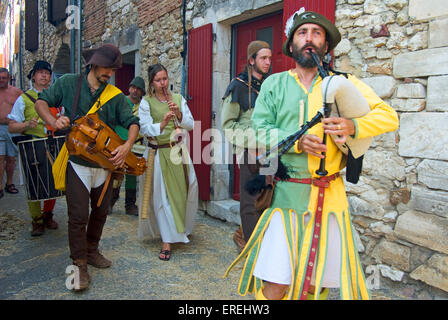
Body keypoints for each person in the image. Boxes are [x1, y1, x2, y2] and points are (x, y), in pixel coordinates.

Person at [225, 10, 399, 300]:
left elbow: (388, 116)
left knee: (318, 283)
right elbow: (260, 129)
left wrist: (353, 125)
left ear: (326, 45)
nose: (309, 38)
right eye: (302, 32)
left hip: (330, 198)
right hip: (287, 197)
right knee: (276, 284)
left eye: (317, 33)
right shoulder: (274, 84)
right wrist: (296, 142)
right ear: (292, 43)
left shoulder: (344, 82)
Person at [35, 44, 140, 291]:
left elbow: (132, 122)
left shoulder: (114, 94)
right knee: (78, 216)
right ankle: (79, 263)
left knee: (101, 212)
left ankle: (92, 250)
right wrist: (52, 121)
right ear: (94, 63)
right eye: (107, 68)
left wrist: (126, 147)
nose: (110, 74)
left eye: (113, 70)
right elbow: (42, 102)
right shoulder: (70, 83)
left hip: (104, 166)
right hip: (77, 163)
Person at [137, 63, 198, 261]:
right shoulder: (146, 102)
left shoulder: (178, 99)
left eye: (165, 79)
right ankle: (166, 240)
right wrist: (162, 124)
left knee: (186, 191)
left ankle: (182, 229)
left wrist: (178, 114)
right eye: (158, 80)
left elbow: (190, 123)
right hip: (158, 154)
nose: (163, 83)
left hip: (179, 153)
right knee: (163, 198)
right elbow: (144, 129)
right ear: (151, 83)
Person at [221, 40, 272, 251]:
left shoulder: (270, 86)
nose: (268, 62)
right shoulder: (238, 86)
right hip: (249, 152)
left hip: (271, 150)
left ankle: (244, 233)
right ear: (252, 60)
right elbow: (228, 125)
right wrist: (253, 144)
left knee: (268, 198)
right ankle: (253, 250)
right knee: (250, 202)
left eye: (270, 57)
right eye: (263, 58)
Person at [8, 60, 60, 236]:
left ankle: (48, 215)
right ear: (33, 76)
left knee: (54, 182)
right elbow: (11, 127)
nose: (45, 76)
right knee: (33, 183)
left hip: (52, 143)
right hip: (32, 145)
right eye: (40, 72)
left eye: (47, 73)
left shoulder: (56, 96)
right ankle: (36, 220)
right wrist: (26, 125)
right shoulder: (23, 99)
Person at [110, 76, 147, 216]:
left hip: (135, 146)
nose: (135, 91)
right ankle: (110, 202)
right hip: (118, 143)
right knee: (116, 173)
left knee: (132, 174)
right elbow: (113, 121)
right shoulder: (121, 101)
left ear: (142, 92)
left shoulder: (143, 107)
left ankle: (130, 205)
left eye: (138, 89)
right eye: (133, 87)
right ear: (129, 88)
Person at [0, 68, 22, 198]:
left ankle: (9, 183)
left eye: (3, 78)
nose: (1, 80)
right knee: (0, 158)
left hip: (12, 128)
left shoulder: (16, 92)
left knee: (11, 158)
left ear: (8, 78)